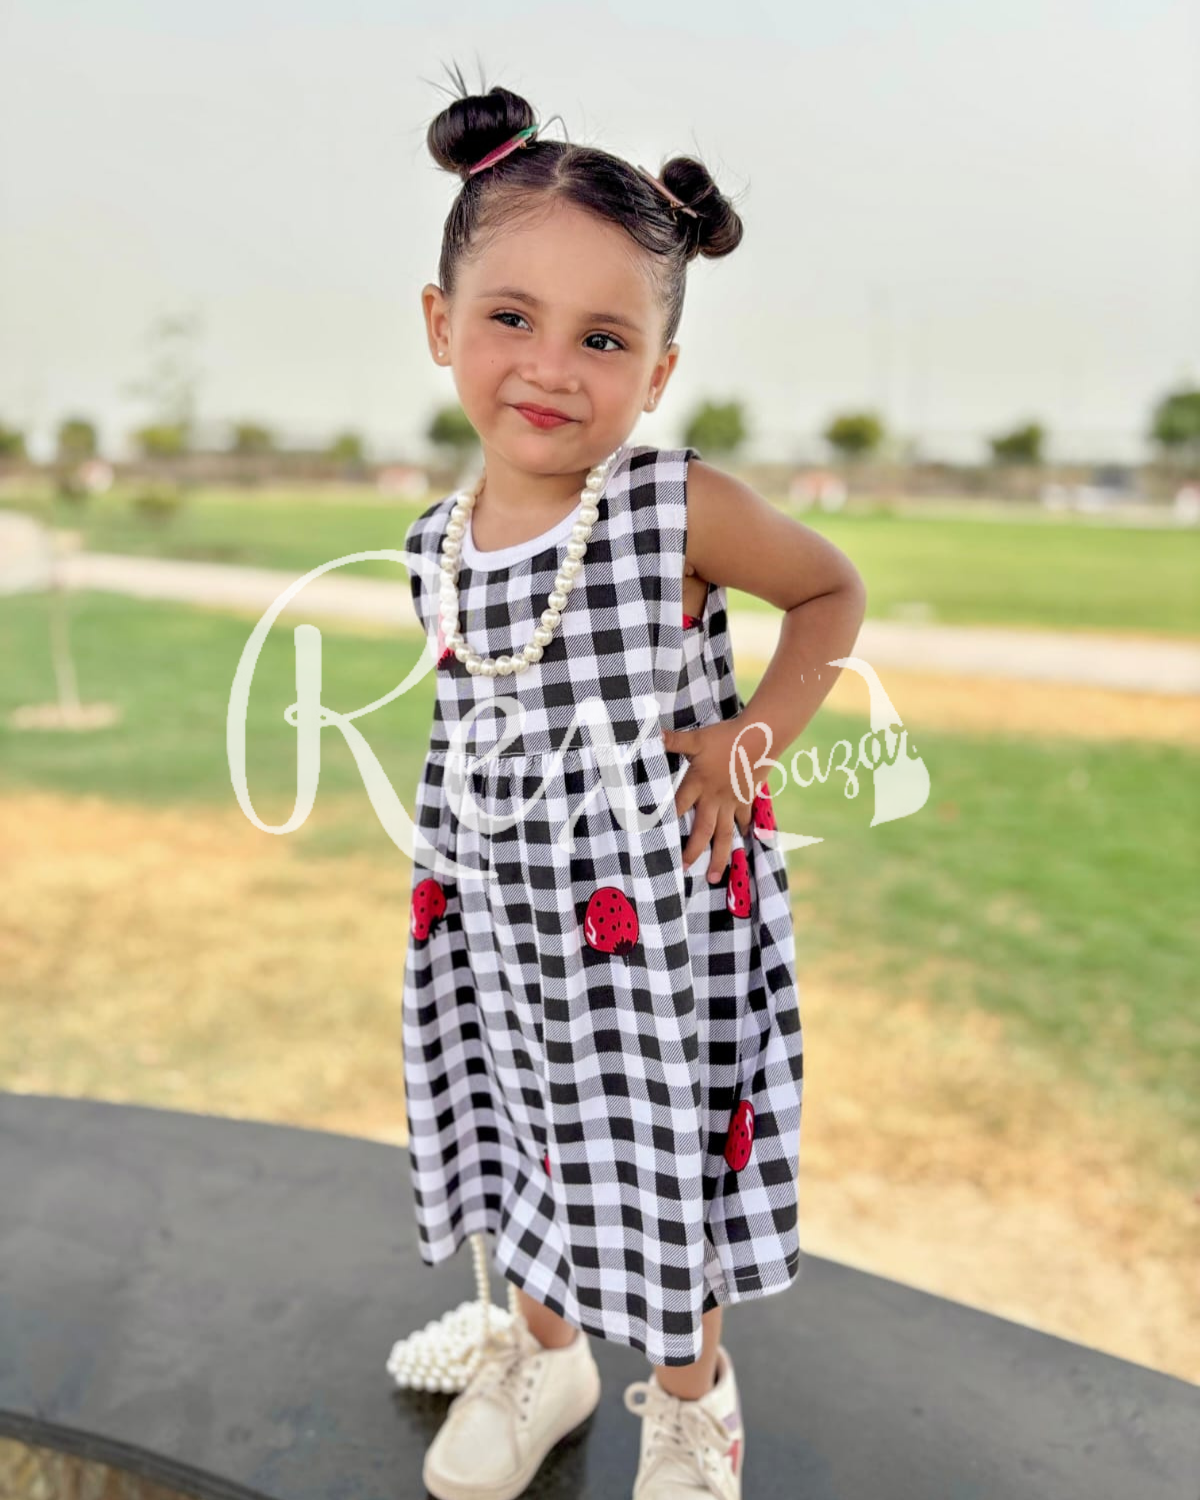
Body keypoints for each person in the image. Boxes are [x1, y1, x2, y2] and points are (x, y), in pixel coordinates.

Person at [401, 65, 867, 1500]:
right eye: (512, 318)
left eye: (602, 337)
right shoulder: (433, 543)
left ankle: (689, 1399)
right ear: (441, 324)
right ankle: (545, 1358)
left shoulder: (674, 509)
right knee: (527, 1136)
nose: (552, 367)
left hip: (660, 933)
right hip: (505, 926)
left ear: (657, 372)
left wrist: (747, 741)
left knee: (664, 1163)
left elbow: (831, 593)